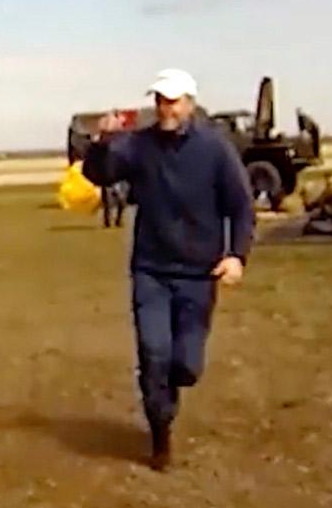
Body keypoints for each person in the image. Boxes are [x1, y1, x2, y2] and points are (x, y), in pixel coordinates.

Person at [79, 68, 254, 472]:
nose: (165, 108)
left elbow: (241, 206)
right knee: (153, 353)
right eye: (159, 99)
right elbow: (97, 174)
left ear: (190, 103)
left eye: (172, 100)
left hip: (199, 273)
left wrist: (237, 255)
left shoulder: (215, 149)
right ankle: (161, 434)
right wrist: (101, 142)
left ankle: (172, 389)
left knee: (186, 366)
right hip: (151, 271)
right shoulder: (139, 145)